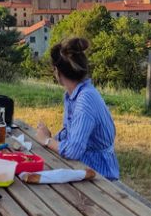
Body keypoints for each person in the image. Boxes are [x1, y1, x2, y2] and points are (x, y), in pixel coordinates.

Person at [35, 37, 120, 180]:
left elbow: (74, 150)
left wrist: (47, 141)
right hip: (82, 168)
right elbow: (72, 133)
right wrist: (52, 138)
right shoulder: (75, 94)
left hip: (99, 176)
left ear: (57, 71)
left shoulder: (85, 100)